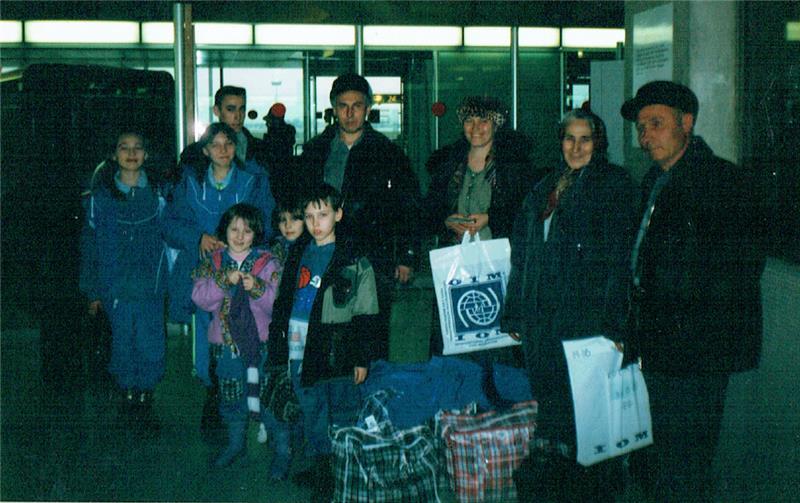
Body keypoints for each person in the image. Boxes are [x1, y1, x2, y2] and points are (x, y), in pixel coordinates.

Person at [621, 81, 766, 502]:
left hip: (694, 355)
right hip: (659, 348)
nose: (645, 136)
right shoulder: (656, 179)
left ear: (687, 123)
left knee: (686, 465)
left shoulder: (721, 182)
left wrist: (682, 328)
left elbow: (736, 272)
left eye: (656, 124)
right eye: (640, 127)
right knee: (660, 459)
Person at [501, 110, 638, 501]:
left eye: (586, 139)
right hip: (542, 324)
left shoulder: (613, 186)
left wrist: (615, 325)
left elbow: (619, 261)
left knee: (591, 420)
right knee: (556, 414)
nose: (576, 148)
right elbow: (522, 255)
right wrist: (514, 310)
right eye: (569, 138)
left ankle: (594, 492)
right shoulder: (544, 187)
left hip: (585, 323)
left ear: (599, 143)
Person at [295, 73, 420, 361]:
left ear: (367, 109)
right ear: (333, 108)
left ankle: (370, 391)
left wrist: (407, 255)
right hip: (322, 252)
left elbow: (409, 207)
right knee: (321, 323)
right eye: (343, 106)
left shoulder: (388, 153)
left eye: (357, 105)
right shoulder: (315, 151)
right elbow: (299, 201)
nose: (350, 113)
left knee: (370, 326)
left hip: (373, 253)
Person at [266, 183, 380, 500]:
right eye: (310, 216)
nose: (316, 223)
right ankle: (321, 469)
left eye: (324, 214)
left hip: (336, 352)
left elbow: (367, 313)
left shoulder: (353, 259)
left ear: (338, 215)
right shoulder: (298, 254)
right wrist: (278, 345)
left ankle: (339, 473)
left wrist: (361, 357)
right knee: (312, 409)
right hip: (299, 347)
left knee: (341, 412)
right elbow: (283, 302)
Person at [164, 122, 273, 443]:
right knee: (208, 342)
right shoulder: (190, 183)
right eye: (216, 144)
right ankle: (215, 403)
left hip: (245, 272)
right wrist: (197, 237)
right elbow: (170, 222)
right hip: (206, 276)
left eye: (229, 143)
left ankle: (248, 409)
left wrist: (244, 246)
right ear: (205, 150)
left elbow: (265, 222)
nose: (223, 149)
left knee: (248, 338)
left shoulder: (253, 180)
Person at [80, 131, 169, 435]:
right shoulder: (99, 199)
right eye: (124, 148)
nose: (131, 153)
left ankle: (145, 401)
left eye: (138, 148)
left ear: (146, 154)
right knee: (122, 345)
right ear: (114, 154)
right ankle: (127, 400)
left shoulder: (158, 196)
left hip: (150, 288)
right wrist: (93, 291)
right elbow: (89, 247)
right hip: (114, 289)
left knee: (150, 343)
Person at [190, 203, 280, 467]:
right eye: (234, 229)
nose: (240, 236)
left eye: (248, 231)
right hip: (226, 345)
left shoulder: (268, 263)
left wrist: (258, 288)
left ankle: (279, 447)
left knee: (266, 393)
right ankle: (235, 443)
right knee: (231, 396)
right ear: (224, 230)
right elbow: (200, 299)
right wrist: (222, 282)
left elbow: (278, 305)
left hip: (260, 343)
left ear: (256, 234)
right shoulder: (213, 262)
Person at [261, 102, 297, 202]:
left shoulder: (274, 135)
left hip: (276, 172)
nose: (267, 124)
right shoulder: (289, 130)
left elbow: (269, 151)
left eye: (269, 121)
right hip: (286, 172)